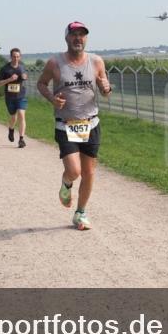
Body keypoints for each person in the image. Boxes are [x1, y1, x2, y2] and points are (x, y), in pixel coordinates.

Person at [36, 21, 111, 230]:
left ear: (86, 38)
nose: (78, 38)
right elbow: (41, 84)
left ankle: (80, 213)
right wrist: (52, 98)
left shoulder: (96, 62)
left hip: (91, 123)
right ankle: (66, 183)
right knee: (74, 170)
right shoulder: (55, 63)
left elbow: (105, 89)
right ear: (67, 38)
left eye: (82, 35)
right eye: (74, 34)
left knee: (89, 172)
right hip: (66, 124)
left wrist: (106, 88)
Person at [0, 48, 29, 148]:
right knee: (13, 117)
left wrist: (25, 76)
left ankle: (21, 139)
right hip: (10, 97)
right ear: (11, 57)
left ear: (20, 57)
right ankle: (11, 129)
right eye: (14, 56)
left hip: (21, 96)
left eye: (18, 56)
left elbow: (25, 76)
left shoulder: (22, 67)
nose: (16, 58)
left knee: (21, 115)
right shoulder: (5, 69)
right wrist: (9, 79)